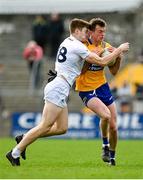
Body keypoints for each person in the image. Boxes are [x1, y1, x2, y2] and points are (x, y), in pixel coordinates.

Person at [6, 18, 129, 166]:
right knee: (45, 125)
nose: (87, 34)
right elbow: (102, 62)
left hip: (61, 86)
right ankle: (15, 152)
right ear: (77, 31)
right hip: (58, 86)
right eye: (85, 31)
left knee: (61, 128)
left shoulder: (67, 41)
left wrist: (108, 53)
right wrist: (119, 50)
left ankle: (25, 137)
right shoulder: (78, 46)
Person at [76, 18, 125, 166]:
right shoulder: (82, 46)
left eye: (104, 31)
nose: (102, 34)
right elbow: (80, 70)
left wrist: (118, 57)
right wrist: (96, 56)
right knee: (105, 115)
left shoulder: (107, 46)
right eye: (99, 31)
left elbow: (114, 72)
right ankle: (105, 145)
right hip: (86, 89)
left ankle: (112, 158)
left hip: (102, 87)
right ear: (91, 32)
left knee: (114, 127)